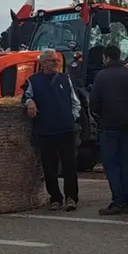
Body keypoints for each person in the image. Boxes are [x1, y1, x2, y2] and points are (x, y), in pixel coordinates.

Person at [90, 44, 128, 215]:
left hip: (109, 127)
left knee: (111, 165)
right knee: (125, 163)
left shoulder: (102, 76)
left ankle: (118, 202)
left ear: (106, 57)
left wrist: (99, 119)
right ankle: (125, 201)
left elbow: (94, 103)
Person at [23, 49, 81, 211]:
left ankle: (71, 198)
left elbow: (75, 102)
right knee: (49, 167)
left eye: (57, 60)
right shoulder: (33, 81)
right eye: (51, 60)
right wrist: (29, 102)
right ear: (42, 64)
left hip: (66, 130)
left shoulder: (65, 78)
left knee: (70, 166)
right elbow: (26, 96)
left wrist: (72, 118)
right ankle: (55, 198)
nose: (56, 63)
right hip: (45, 131)